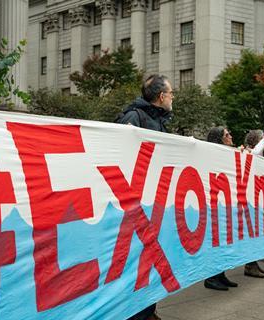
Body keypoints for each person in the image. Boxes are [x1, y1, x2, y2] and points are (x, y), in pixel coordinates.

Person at [117, 74, 173, 320]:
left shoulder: (157, 120)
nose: (173, 97)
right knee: (138, 259)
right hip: (136, 202)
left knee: (152, 257)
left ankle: (149, 310)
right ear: (161, 97)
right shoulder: (134, 118)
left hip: (152, 199)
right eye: (171, 93)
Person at [203, 126, 239, 291]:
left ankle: (220, 273)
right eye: (227, 134)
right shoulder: (212, 155)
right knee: (215, 241)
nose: (230, 136)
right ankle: (211, 277)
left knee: (224, 241)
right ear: (219, 139)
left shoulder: (228, 154)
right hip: (214, 204)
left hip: (226, 204)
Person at [242, 129, 264, 278]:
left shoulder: (259, 156)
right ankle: (250, 265)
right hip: (248, 201)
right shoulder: (247, 153)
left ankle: (253, 263)